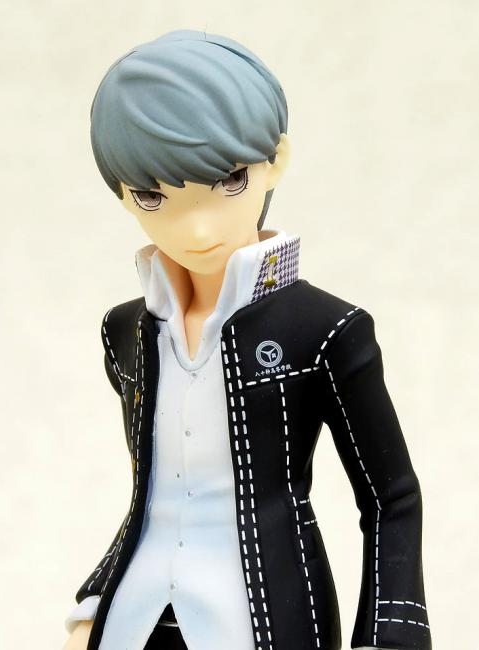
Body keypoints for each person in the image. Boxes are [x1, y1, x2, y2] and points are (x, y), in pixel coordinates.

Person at [63, 30, 431, 650]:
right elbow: (153, 498)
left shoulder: (324, 331)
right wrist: (94, 606)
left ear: (276, 160)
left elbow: (391, 499)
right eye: (153, 197)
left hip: (264, 617)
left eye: (229, 179)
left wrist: (389, 635)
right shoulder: (126, 332)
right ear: (124, 197)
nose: (196, 228)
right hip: (135, 621)